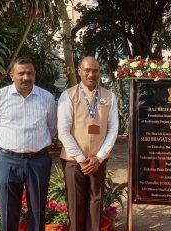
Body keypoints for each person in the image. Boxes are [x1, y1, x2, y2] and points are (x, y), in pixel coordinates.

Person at [0, 57, 57, 230]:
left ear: (35, 75)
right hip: (8, 162)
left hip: (38, 161)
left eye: (30, 73)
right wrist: (6, 152)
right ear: (12, 75)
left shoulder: (47, 98)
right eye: (21, 73)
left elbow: (52, 128)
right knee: (9, 211)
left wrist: (36, 147)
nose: (26, 77)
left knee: (38, 210)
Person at [57, 56, 118, 231]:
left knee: (95, 201)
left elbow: (113, 129)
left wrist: (98, 158)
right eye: (87, 70)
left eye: (95, 70)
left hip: (98, 160)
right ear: (79, 71)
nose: (91, 74)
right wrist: (81, 159)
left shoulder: (110, 96)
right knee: (76, 203)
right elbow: (63, 131)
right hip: (73, 160)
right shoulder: (68, 96)